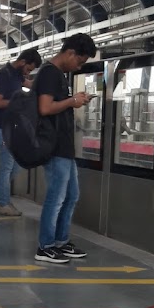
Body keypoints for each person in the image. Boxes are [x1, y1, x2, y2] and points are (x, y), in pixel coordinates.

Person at [33, 33, 97, 263]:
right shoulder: (50, 73)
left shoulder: (58, 74)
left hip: (65, 147)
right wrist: (72, 101)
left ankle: (60, 241)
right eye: (79, 61)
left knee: (71, 195)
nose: (78, 66)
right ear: (70, 53)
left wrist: (75, 100)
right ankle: (45, 246)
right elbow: (45, 108)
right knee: (56, 197)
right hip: (54, 146)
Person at [0, 49, 42, 217]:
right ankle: (3, 204)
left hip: (10, 128)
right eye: (29, 69)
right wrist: (19, 102)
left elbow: (30, 84)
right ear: (23, 62)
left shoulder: (17, 76)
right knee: (7, 167)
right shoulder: (5, 75)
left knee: (16, 165)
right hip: (2, 128)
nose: (28, 73)